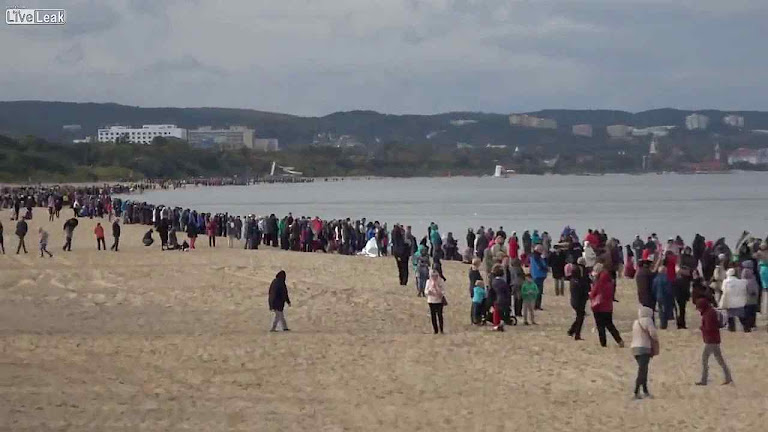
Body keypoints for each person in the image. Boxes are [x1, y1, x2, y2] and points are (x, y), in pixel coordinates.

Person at [695, 299, 733, 386]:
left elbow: (709, 328)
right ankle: (728, 377)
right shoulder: (710, 311)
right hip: (714, 339)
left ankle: (704, 380)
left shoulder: (708, 314)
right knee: (720, 359)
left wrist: (701, 328)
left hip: (711, 340)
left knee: (705, 358)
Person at [590, 264, 624, 347]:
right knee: (609, 324)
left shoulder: (599, 282)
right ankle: (619, 340)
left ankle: (603, 343)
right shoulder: (609, 281)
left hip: (598, 306)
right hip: (608, 306)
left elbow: (593, 293)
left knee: (600, 326)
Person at [631, 306, 659, 399]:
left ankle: (645, 390)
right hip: (644, 347)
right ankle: (636, 391)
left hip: (635, 348)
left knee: (643, 369)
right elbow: (653, 334)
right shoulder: (648, 321)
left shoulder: (636, 322)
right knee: (643, 370)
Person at [567, 257, 590, 340]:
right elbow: (584, 286)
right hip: (579, 299)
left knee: (580, 316)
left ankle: (572, 331)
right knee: (580, 316)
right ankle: (576, 334)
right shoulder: (580, 276)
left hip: (576, 299)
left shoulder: (573, 279)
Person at [425, 269, 446, 334]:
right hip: (431, 301)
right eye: (432, 276)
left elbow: (443, 292)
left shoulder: (440, 281)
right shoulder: (428, 281)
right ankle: (435, 330)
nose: (434, 277)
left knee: (440, 315)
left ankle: (441, 329)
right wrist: (429, 292)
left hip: (439, 301)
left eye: (435, 276)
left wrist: (436, 287)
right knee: (433, 315)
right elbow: (426, 291)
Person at [491, 264, 512, 330]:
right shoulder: (503, 282)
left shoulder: (493, 282)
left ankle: (496, 324)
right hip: (504, 299)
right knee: (503, 312)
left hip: (496, 299)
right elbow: (507, 292)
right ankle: (502, 322)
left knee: (496, 312)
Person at [741, 261, 760, 331]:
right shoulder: (752, 275)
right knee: (752, 312)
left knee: (748, 312)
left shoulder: (744, 272)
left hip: (747, 298)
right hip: (752, 298)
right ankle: (752, 324)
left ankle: (749, 324)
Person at [530, 245, 548, 310]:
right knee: (538, 291)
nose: (542, 251)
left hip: (537, 275)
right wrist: (546, 269)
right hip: (538, 275)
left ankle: (536, 305)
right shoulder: (536, 257)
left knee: (538, 291)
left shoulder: (534, 256)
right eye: (541, 250)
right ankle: (536, 305)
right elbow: (540, 266)